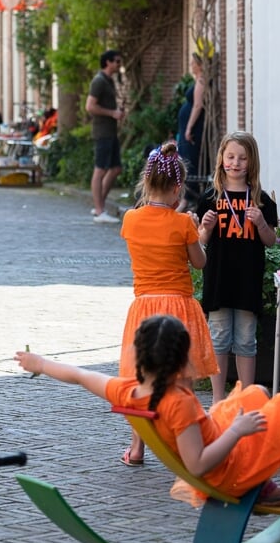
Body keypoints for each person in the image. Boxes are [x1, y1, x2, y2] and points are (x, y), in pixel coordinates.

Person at [15, 315, 280, 510]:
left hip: (217, 447)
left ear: (139, 355)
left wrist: (40, 364)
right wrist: (236, 431)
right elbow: (197, 466)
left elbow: (81, 375)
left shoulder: (130, 391)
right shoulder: (178, 403)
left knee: (256, 393)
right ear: (181, 357)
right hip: (226, 472)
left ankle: (266, 486)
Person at [117, 141, 219, 466]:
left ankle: (137, 448)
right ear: (178, 188)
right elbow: (199, 263)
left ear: (146, 183)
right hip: (178, 306)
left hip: (145, 306)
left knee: (142, 379)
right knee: (183, 381)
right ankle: (185, 449)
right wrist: (199, 233)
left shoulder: (130, 220)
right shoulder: (183, 224)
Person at [195, 131, 278, 404]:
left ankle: (246, 398)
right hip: (219, 279)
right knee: (218, 339)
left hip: (247, 280)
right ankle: (218, 400)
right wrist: (205, 228)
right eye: (230, 156)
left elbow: (271, 241)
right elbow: (201, 242)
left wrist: (261, 224)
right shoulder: (209, 198)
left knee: (245, 340)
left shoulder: (262, 200)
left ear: (251, 162)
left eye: (242, 158)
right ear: (221, 159)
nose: (236, 163)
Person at [87, 49, 126, 223]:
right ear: (108, 62)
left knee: (116, 168)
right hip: (102, 132)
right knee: (100, 169)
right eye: (117, 61)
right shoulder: (99, 81)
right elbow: (90, 106)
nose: (119, 65)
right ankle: (99, 209)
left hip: (111, 131)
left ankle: (99, 205)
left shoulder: (109, 80)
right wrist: (112, 113)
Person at [177, 53, 208, 180]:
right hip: (186, 123)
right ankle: (186, 195)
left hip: (194, 126)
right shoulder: (198, 80)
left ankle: (190, 194)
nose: (191, 66)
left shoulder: (201, 81)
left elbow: (197, 105)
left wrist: (189, 128)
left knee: (190, 157)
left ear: (200, 65)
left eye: (193, 63)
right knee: (185, 155)